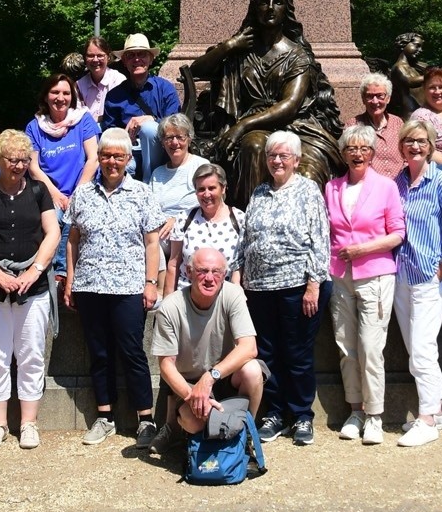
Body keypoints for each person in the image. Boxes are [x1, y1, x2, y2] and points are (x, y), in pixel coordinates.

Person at [191, 0, 345, 204]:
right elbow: (196, 70)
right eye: (264, 2)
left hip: (295, 128)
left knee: (310, 172)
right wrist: (229, 46)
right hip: (255, 130)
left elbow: (290, 105)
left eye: (278, 2)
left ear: (287, 10)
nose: (270, 8)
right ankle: (251, 222)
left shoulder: (297, 55)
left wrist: (241, 125)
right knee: (253, 145)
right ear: (254, 7)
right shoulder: (240, 51)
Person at [65, 127, 167, 450]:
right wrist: (70, 279)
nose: (111, 161)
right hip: (90, 285)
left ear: (127, 159)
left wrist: (151, 283)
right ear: (98, 157)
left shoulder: (141, 193)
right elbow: (73, 240)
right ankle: (105, 417)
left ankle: (146, 419)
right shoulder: (83, 194)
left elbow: (152, 243)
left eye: (118, 156)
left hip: (128, 287)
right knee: (99, 354)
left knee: (132, 352)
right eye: (106, 155)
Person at [0, 130, 60, 451]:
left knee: (32, 354)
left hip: (33, 287)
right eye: (12, 160)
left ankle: (29, 423)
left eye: (23, 160)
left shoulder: (38, 191)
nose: (18, 165)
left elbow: (53, 233)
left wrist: (34, 271)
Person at [238, 130, 332, 445]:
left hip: (297, 286)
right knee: (268, 353)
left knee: (297, 354)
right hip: (260, 289)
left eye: (283, 155)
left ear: (296, 160)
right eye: (271, 155)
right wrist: (240, 280)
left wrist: (313, 284)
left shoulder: (308, 191)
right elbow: (247, 239)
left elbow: (320, 239)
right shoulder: (259, 193)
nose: (276, 161)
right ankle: (275, 414)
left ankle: (302, 416)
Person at [324, 125, 404, 446]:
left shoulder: (386, 187)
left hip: (376, 274)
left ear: (372, 153)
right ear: (343, 154)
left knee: (371, 348)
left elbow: (398, 233)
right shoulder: (331, 187)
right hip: (339, 275)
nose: (358, 154)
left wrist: (363, 249)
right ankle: (355, 410)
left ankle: (375, 416)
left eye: (364, 149)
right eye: (351, 149)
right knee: (347, 348)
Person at [393, 119, 442, 447]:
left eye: (421, 141)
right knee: (416, 347)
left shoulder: (441, 182)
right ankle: (439, 409)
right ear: (401, 146)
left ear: (431, 145)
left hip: (427, 276)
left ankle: (426, 419)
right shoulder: (397, 181)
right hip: (401, 274)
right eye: (409, 141)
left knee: (422, 349)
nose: (415, 146)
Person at [151, 248, 269, 448]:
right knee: (193, 421)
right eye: (202, 271)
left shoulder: (233, 295)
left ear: (225, 275)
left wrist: (211, 376)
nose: (209, 278)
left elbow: (249, 348)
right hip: (189, 383)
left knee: (252, 370)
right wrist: (194, 396)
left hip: (224, 377)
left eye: (216, 272)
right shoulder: (170, 307)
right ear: (188, 272)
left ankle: (246, 436)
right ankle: (181, 429)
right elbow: (166, 365)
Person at [26, 72, 101, 276]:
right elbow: (33, 167)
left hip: (82, 188)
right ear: (45, 96)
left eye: (66, 93)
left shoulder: (83, 120)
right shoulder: (34, 127)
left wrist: (77, 193)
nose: (61, 98)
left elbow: (93, 158)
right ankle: (53, 272)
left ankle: (65, 271)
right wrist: (56, 195)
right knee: (55, 218)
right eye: (55, 92)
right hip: (49, 191)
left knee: (72, 218)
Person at [103, 33, 182, 182]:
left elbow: (176, 125)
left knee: (149, 128)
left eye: (142, 54)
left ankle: (150, 183)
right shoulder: (114, 96)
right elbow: (108, 133)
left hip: (160, 150)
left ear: (151, 59)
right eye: (131, 55)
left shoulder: (165, 89)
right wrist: (122, 135)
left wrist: (152, 120)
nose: (136, 59)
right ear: (124, 61)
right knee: (125, 168)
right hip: (128, 151)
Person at [164, 163, 245, 294]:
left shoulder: (240, 219)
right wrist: (168, 303)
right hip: (188, 296)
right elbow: (174, 264)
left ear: (223, 188)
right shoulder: (184, 219)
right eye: (201, 189)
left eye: (212, 188)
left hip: (225, 298)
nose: (206, 194)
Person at [150, 113, 211, 237]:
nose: (174, 142)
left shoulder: (200, 166)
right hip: (161, 232)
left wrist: (177, 219)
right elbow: (149, 207)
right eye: (169, 138)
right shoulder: (157, 174)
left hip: (192, 228)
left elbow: (208, 202)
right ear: (162, 142)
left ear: (189, 139)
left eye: (180, 137)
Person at [344, 72, 405, 179]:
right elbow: (348, 160)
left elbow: (407, 155)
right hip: (369, 186)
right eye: (370, 96)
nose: (375, 101)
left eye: (380, 96)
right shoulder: (353, 125)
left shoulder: (398, 123)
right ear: (363, 99)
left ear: (388, 98)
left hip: (400, 185)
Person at [77, 36, 125, 122]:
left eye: (100, 55)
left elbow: (120, 114)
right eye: (90, 56)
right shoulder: (79, 85)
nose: (95, 60)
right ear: (85, 58)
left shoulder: (119, 80)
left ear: (108, 57)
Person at [387, 32, 429, 119]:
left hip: (421, 109)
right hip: (410, 111)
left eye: (421, 47)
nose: (420, 50)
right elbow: (410, 81)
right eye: (417, 45)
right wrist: (432, 75)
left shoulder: (413, 68)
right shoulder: (398, 67)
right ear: (403, 44)